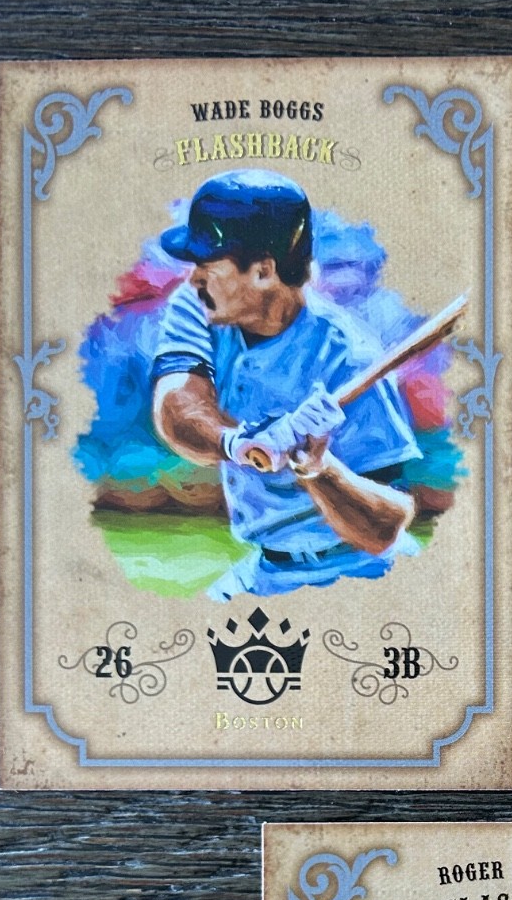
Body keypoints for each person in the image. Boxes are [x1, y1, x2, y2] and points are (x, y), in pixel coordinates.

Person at [151, 169, 422, 599]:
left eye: (208, 265)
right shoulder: (198, 304)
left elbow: (383, 528)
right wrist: (237, 442)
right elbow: (177, 404)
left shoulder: (348, 356)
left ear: (263, 271)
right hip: (265, 567)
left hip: (361, 572)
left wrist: (318, 469)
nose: (194, 278)